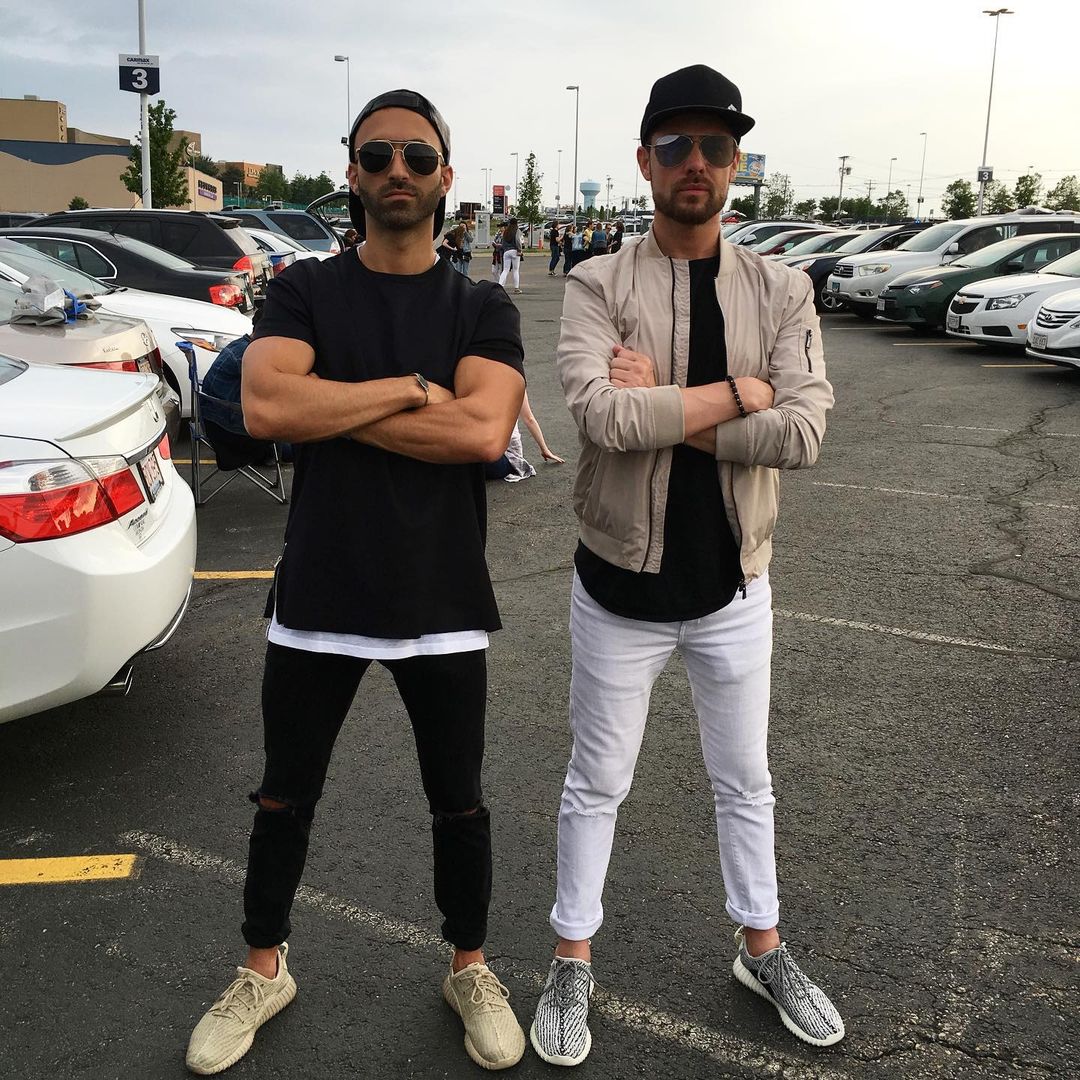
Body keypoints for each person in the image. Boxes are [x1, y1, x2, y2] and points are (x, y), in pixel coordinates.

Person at [185, 87, 528, 1076]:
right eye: (377, 156)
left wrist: (330, 407)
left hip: (442, 596)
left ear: (445, 176)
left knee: (458, 803)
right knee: (282, 799)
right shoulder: (304, 290)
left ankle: (469, 967)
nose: (397, 171)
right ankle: (263, 969)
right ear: (352, 173)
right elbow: (264, 406)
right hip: (321, 593)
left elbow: (482, 431)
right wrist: (412, 390)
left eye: (417, 157)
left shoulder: (481, 305)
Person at [529, 64, 843, 1067]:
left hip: (732, 589)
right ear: (645, 162)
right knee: (597, 781)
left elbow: (803, 434)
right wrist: (741, 391)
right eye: (676, 146)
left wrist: (670, 400)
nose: (695, 162)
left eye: (715, 145)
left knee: (745, 780)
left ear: (737, 163)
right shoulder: (598, 282)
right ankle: (572, 957)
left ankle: (763, 949)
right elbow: (602, 417)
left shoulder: (782, 288)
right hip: (617, 588)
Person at [484, 388, 565, 481]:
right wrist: (544, 449)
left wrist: (545, 449)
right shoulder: (516, 384)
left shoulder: (483, 385)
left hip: (500, 456)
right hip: (502, 457)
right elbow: (529, 419)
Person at [498, 217, 523, 294]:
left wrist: (505, 249)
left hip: (506, 252)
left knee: (505, 270)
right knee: (515, 270)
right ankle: (516, 288)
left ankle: (499, 286)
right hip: (515, 251)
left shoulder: (506, 231)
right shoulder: (517, 230)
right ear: (516, 223)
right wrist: (519, 250)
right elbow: (518, 240)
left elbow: (503, 243)